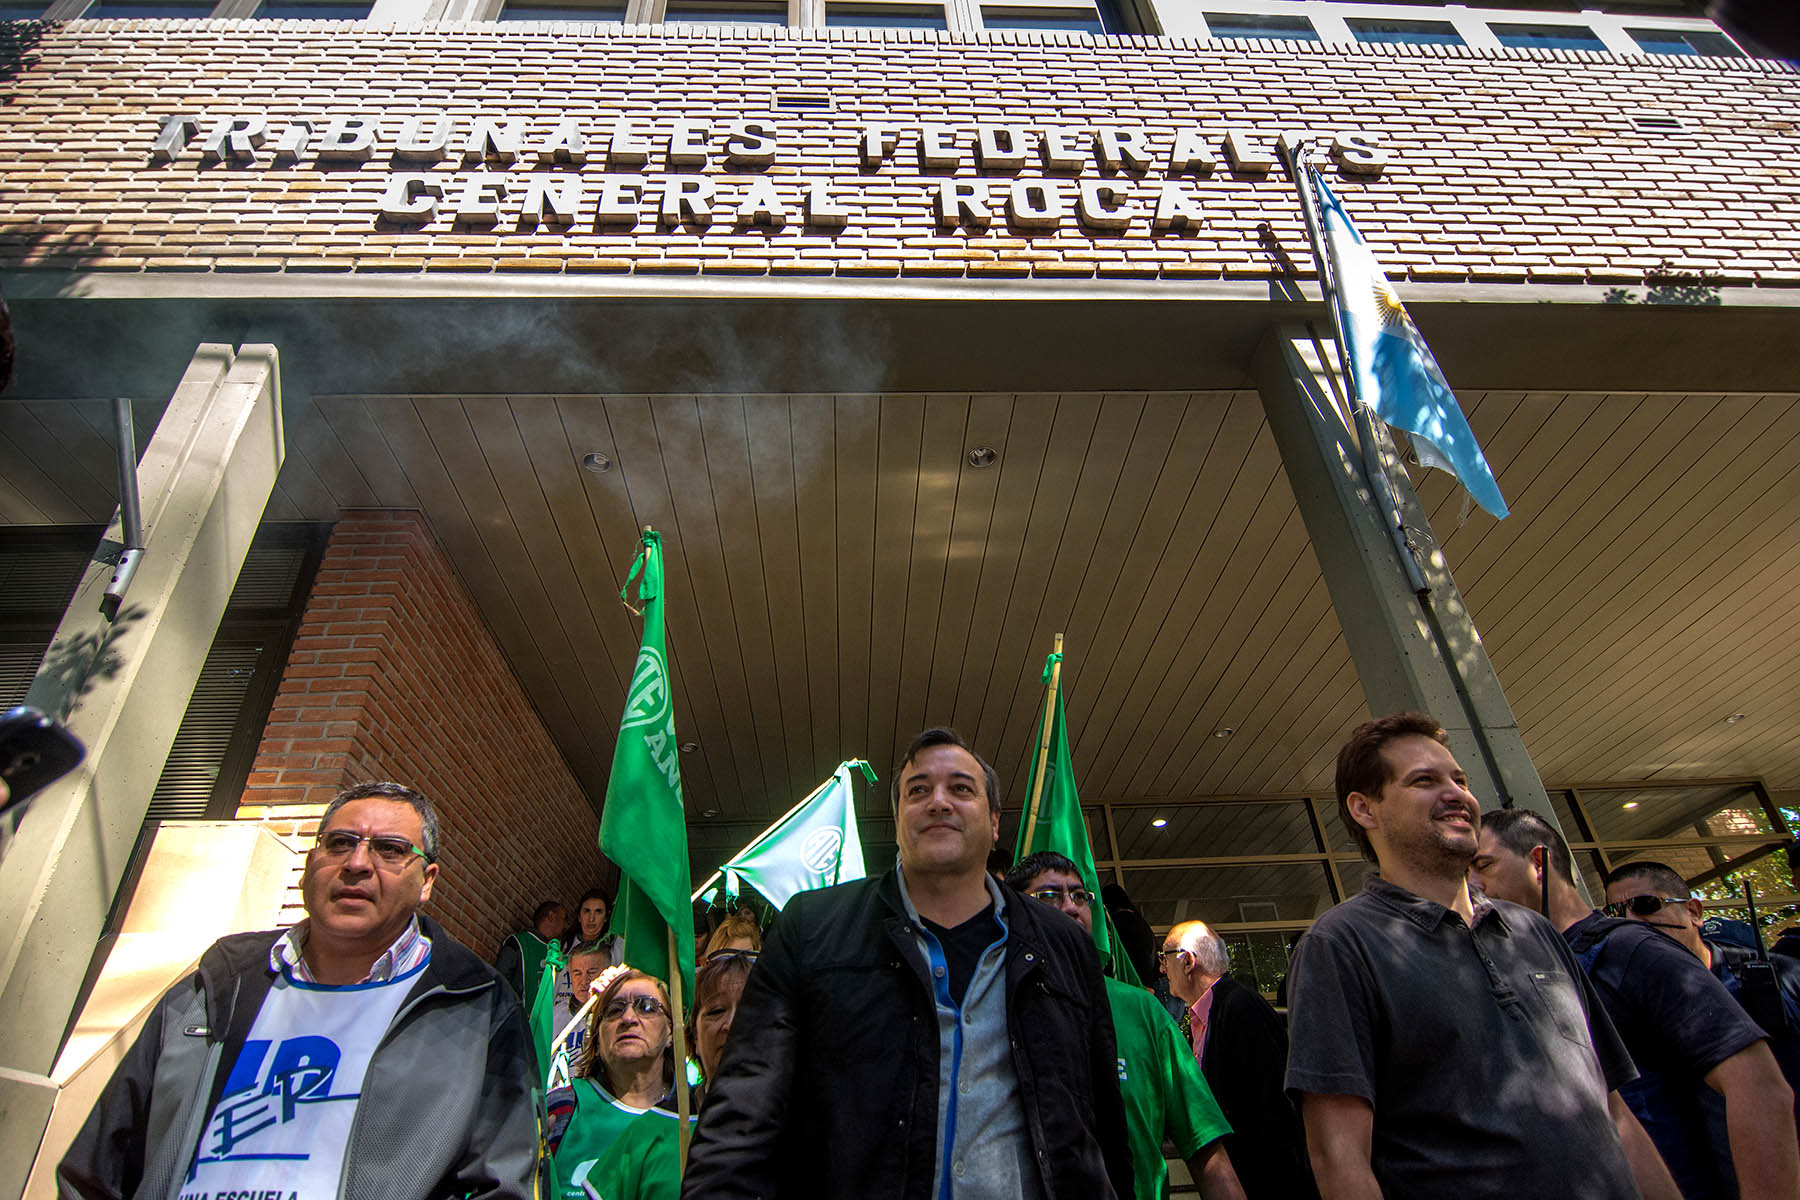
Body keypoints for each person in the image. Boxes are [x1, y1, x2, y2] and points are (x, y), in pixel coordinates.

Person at [683, 726, 1132, 1199]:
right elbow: (744, 1108)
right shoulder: (811, 930)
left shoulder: (1065, 946)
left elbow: (1103, 1123)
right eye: (919, 790)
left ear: (995, 821)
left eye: (961, 788)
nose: (939, 801)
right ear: (898, 818)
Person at [58, 780, 543, 1200]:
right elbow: (99, 1166)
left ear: (426, 882)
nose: (357, 863)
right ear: (312, 862)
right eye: (339, 843)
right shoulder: (214, 987)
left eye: (390, 850)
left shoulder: (479, 1007)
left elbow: (500, 1183)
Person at [1286, 712, 1681, 1200]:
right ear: (1365, 809)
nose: (1457, 794)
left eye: (1460, 779)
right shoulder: (1340, 946)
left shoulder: (1535, 931)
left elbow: (1614, 1111)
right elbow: (1339, 1158)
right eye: (1425, 781)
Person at [1470, 817, 1799, 1200]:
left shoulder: (1630, 950)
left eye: (1484, 865)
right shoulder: (1546, 963)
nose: (1474, 883)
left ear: (1539, 863)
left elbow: (1759, 1086)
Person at [1009, 851, 1244, 1200]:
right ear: (1013, 914)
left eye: (1079, 896)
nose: (1072, 907)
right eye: (1050, 895)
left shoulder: (1143, 1010)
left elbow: (1207, 1151)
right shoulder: (995, 1009)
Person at [1161, 919, 1315, 1200]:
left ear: (1187, 961)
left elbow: (1270, 1111)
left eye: (1165, 956)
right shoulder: (1207, 1015)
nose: (1161, 967)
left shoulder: (1240, 1008)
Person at [590, 951, 758, 1200]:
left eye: (750, 1008)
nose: (731, 1023)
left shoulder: (813, 1128)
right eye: (717, 1010)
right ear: (693, 1039)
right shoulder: (648, 1133)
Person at [548, 967, 682, 1200]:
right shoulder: (562, 1108)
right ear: (597, 1038)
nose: (628, 1018)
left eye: (647, 1006)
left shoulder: (694, 1117)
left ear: (670, 1031)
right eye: (614, 1010)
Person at [498, 899, 567, 997]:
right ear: (552, 916)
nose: (565, 926)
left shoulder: (556, 954)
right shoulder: (519, 942)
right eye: (563, 919)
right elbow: (500, 979)